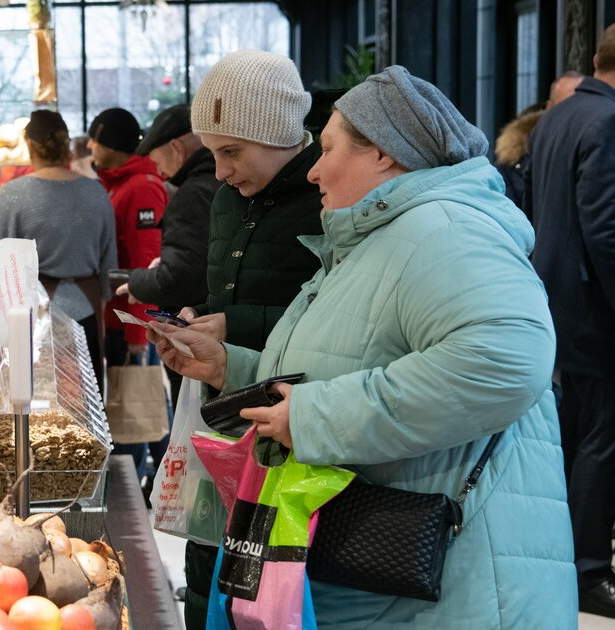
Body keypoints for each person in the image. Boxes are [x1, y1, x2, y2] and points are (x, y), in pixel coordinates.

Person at [150, 65, 575, 628]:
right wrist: (233, 367)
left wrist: (314, 416)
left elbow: (504, 362)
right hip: (394, 583)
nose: (314, 171)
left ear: (382, 153)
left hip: (450, 582)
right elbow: (352, 358)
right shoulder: (382, 236)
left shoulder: (445, 228)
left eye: (327, 150)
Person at [163, 50, 324, 629]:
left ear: (279, 133)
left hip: (291, 425)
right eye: (211, 153)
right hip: (222, 411)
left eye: (231, 151)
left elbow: (331, 313)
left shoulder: (326, 196)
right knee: (208, 558)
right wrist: (199, 318)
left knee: (264, 582)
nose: (221, 170)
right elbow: (231, 289)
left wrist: (238, 324)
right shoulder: (229, 196)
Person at [525, 23, 615, 618]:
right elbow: (606, 230)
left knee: (577, 434)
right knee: (602, 442)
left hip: (558, 301)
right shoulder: (607, 121)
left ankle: (563, 559)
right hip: (597, 312)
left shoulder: (558, 115)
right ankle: (588, 571)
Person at [113, 103, 218, 493]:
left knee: (197, 435)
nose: (156, 170)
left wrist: (140, 281)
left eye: (157, 160)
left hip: (197, 332)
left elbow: (180, 275)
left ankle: (189, 494)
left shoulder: (193, 190)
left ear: (176, 148)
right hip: (209, 327)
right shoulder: (212, 184)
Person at [0, 110, 117, 390]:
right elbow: (110, 266)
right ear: (66, 146)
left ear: (30, 146)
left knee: (39, 401)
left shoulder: (13, 194)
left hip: (31, 313)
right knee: (86, 396)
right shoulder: (96, 192)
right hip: (85, 306)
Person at [87, 107, 168, 476]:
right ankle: (158, 474)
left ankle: (134, 481)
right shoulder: (116, 183)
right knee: (139, 398)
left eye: (95, 139)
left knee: (134, 401)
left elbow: (146, 262)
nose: (89, 146)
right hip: (117, 316)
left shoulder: (140, 188)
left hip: (130, 319)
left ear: (112, 144)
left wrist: (139, 330)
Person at [494, 71, 583, 216]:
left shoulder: (592, 149)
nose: (572, 113)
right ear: (550, 107)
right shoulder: (512, 164)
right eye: (567, 105)